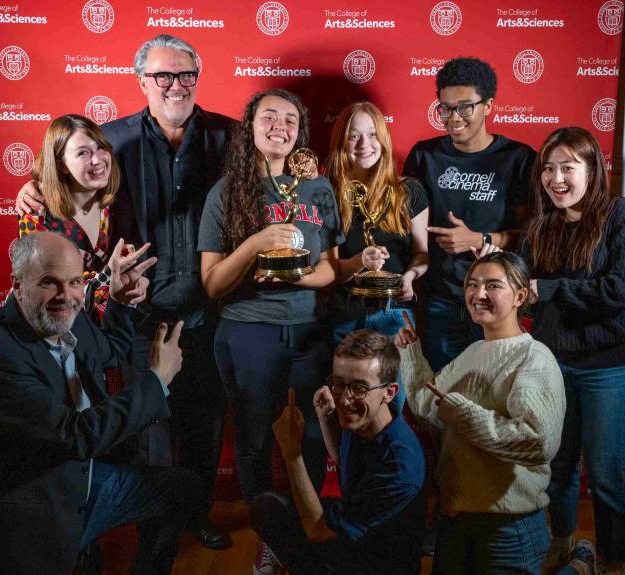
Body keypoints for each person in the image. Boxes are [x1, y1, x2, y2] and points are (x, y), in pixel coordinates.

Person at [16, 34, 234, 549]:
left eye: (185, 75)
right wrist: (29, 186)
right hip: (137, 314)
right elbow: (64, 172)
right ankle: (157, 527)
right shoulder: (113, 140)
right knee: (149, 425)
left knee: (204, 424)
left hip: (209, 309)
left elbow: (275, 178)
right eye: (162, 76)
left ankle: (195, 512)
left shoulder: (231, 137)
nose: (175, 85)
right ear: (142, 82)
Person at [0, 232, 196, 575]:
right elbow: (75, 435)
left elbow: (109, 351)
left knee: (183, 489)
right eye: (49, 282)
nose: (66, 296)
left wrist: (121, 302)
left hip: (81, 480)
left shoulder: (68, 317)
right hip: (29, 510)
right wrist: (157, 380)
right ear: (17, 284)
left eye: (75, 282)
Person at [198, 88, 343, 574]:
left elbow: (330, 270)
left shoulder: (317, 188)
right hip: (247, 331)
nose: (279, 126)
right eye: (268, 117)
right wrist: (257, 242)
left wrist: (292, 275)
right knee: (257, 439)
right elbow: (214, 283)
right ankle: (270, 536)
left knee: (317, 435)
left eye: (290, 119)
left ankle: (311, 527)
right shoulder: (226, 193)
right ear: (250, 127)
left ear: (300, 132)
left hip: (306, 330)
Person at [521, 127, 625, 575]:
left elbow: (622, 291)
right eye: (549, 169)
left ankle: (615, 561)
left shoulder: (623, 216)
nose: (556, 178)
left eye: (568, 168)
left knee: (605, 473)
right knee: (556, 469)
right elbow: (522, 282)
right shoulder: (540, 225)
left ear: (593, 171)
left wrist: (550, 289)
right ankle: (563, 543)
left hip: (606, 368)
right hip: (552, 364)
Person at [395, 250, 566, 574]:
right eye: (472, 285)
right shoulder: (475, 350)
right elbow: (430, 407)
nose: (478, 294)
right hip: (457, 520)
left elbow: (538, 442)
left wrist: (463, 413)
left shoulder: (533, 358)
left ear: (520, 296)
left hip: (507, 529)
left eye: (492, 285)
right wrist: (410, 354)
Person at [250, 329, 426, 575]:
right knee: (271, 505)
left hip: (377, 566)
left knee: (274, 512)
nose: (344, 399)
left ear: (390, 392)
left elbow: (318, 531)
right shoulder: (366, 421)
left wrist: (292, 452)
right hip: (359, 537)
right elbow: (342, 462)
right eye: (339, 384)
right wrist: (325, 419)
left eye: (360, 388)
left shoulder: (401, 464)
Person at [404, 57, 536, 372]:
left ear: (488, 105)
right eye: (446, 108)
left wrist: (481, 239)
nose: (453, 118)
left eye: (465, 107)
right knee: (443, 401)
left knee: (494, 403)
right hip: (441, 302)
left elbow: (533, 237)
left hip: (498, 304)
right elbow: (406, 230)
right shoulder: (424, 157)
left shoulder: (518, 159)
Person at [325, 102, 429, 412]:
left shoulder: (408, 191)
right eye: (354, 136)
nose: (365, 145)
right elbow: (328, 270)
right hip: (345, 315)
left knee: (389, 412)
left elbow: (422, 254)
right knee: (348, 412)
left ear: (383, 138)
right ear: (342, 142)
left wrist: (410, 277)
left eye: (372, 134)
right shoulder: (328, 194)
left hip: (393, 316)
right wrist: (360, 261)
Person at [18, 114, 119, 324]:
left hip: (98, 330)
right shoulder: (37, 211)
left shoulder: (109, 203)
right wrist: (113, 275)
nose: (97, 159)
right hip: (52, 332)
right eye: (83, 153)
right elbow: (45, 290)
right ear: (61, 165)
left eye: (100, 147)